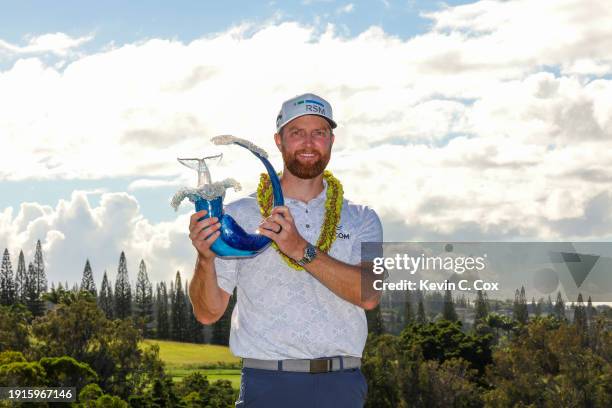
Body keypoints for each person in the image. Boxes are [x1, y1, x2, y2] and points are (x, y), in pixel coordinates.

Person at [188, 93, 383, 407]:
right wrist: (205, 258)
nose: (308, 143)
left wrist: (299, 249)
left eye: (318, 133)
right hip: (267, 385)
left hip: (341, 385)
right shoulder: (238, 215)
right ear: (278, 141)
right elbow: (208, 312)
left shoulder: (361, 217)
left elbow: (369, 294)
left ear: (332, 140)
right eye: (297, 133)